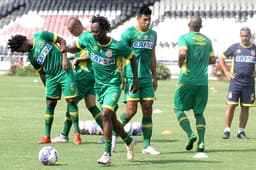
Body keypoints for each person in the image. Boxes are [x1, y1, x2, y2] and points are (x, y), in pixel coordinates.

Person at [66, 16, 139, 165]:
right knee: (111, 119)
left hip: (113, 84)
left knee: (105, 114)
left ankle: (106, 154)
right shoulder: (89, 39)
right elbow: (76, 47)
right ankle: (129, 141)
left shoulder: (117, 46)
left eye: (97, 32)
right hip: (99, 86)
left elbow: (132, 58)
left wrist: (135, 80)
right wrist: (65, 49)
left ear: (105, 30)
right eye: (92, 32)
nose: (94, 35)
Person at [7, 31, 81, 145]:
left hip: (64, 72)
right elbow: (41, 73)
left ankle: (77, 134)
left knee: (71, 101)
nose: (21, 52)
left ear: (23, 43)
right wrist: (46, 87)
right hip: (51, 78)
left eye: (20, 49)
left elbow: (62, 41)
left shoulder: (41, 36)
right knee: (50, 104)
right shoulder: (31, 57)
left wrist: (65, 58)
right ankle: (47, 136)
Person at [111, 5, 160, 155]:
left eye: (149, 20)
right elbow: (119, 54)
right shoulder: (128, 33)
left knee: (148, 110)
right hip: (132, 78)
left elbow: (152, 55)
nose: (147, 23)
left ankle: (146, 146)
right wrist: (121, 75)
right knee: (131, 111)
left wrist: (154, 75)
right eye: (145, 20)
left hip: (146, 79)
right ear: (138, 18)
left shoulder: (153, 35)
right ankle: (113, 136)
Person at [51, 17, 104, 143]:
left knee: (71, 101)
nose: (71, 33)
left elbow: (95, 53)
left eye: (71, 31)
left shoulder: (86, 36)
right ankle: (109, 133)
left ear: (77, 27)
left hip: (84, 75)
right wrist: (69, 53)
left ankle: (64, 135)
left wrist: (79, 60)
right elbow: (82, 51)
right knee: (91, 106)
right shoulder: (86, 37)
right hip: (93, 76)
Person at [173, 16, 216, 153]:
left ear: (189, 24)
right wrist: (201, 62)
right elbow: (213, 59)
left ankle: (190, 134)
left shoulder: (184, 38)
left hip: (186, 80)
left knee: (178, 109)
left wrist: (181, 63)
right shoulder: (207, 40)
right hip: (202, 82)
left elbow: (183, 53)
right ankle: (202, 142)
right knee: (199, 113)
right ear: (201, 27)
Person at [220, 27, 256, 139]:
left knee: (245, 107)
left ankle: (241, 131)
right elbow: (221, 57)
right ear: (240, 36)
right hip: (235, 83)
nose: (244, 38)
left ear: (250, 36)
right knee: (231, 105)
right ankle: (227, 130)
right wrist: (226, 72)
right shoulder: (235, 47)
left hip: (249, 84)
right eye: (242, 36)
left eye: (246, 36)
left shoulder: (254, 48)